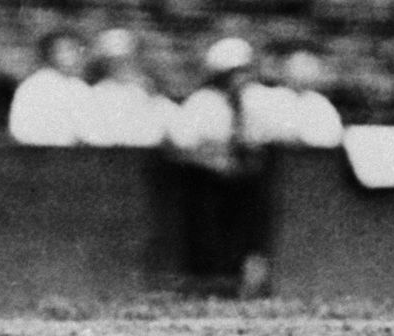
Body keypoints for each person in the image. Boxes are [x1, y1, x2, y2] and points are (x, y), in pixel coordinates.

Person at [166, 37, 279, 297]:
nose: (243, 79)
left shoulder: (252, 102)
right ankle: (211, 285)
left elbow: (260, 141)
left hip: (241, 181)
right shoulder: (203, 103)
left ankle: (241, 281)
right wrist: (213, 160)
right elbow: (178, 145)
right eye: (236, 73)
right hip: (206, 181)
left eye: (245, 72)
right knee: (208, 235)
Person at [80, 28, 174, 148]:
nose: (122, 65)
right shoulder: (94, 93)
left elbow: (171, 131)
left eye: (126, 59)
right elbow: (93, 136)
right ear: (105, 63)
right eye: (115, 61)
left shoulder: (148, 91)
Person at [7, 31, 94, 146]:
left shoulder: (79, 86)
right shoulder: (34, 86)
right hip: (43, 155)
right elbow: (20, 132)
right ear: (50, 54)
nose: (75, 55)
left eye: (78, 50)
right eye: (67, 50)